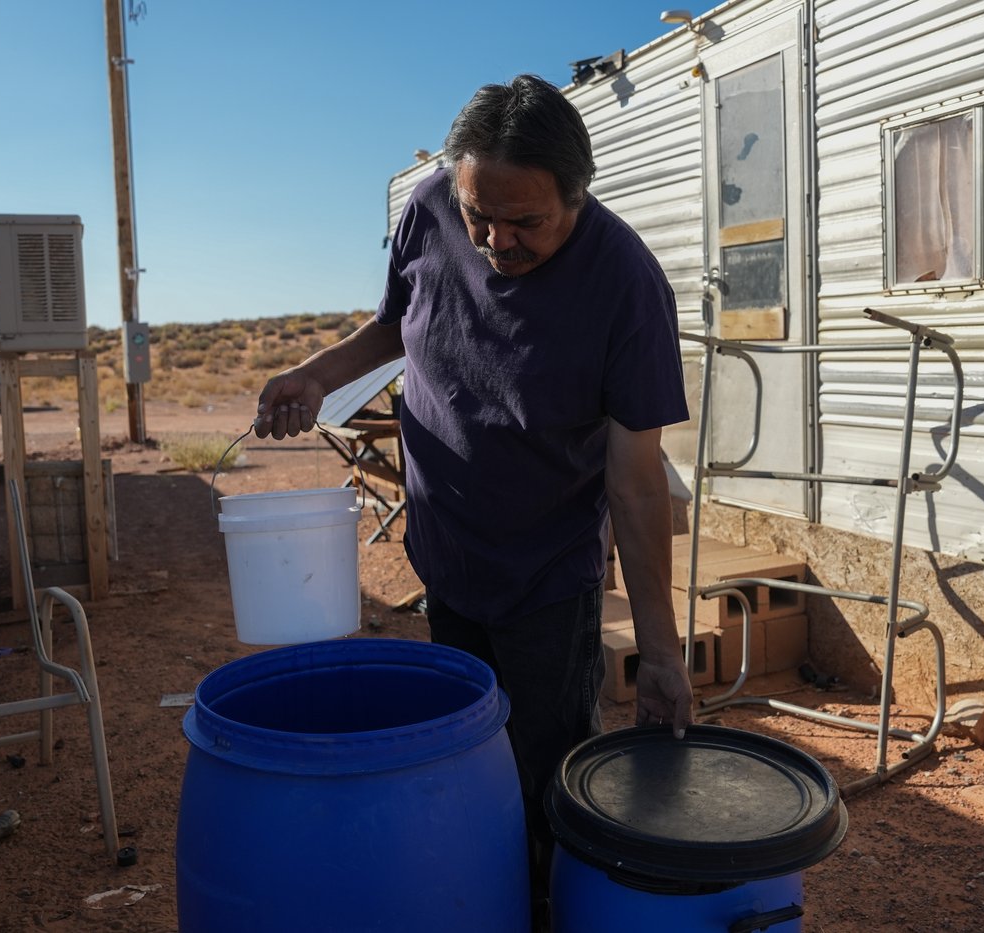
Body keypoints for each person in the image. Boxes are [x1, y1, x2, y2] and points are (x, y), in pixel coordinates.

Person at [254, 73, 693, 920]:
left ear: (578, 194)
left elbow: (636, 486)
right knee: (459, 758)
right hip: (445, 548)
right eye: (477, 216)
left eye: (525, 222)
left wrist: (662, 652)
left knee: (546, 779)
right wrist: (314, 373)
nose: (495, 239)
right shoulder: (431, 205)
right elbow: (395, 322)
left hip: (543, 574)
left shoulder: (627, 287)